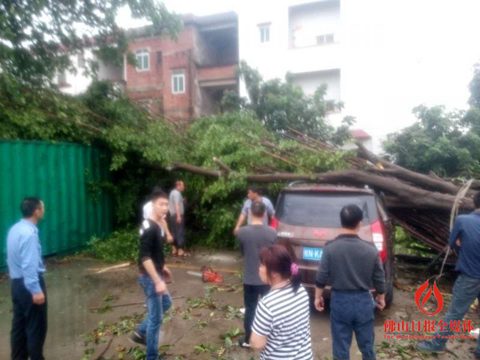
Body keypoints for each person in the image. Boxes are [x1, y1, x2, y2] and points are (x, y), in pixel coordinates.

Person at [315, 204, 386, 360]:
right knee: (367, 346)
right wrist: (381, 297)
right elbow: (379, 277)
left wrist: (317, 297)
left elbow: (322, 276)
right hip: (363, 302)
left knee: (340, 348)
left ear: (341, 222)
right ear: (359, 223)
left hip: (340, 301)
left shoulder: (330, 248)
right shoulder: (371, 250)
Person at [417, 192, 480, 357]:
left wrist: (462, 248)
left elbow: (453, 245)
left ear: (474, 203)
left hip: (470, 276)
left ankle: (437, 344)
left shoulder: (463, 220)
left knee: (455, 313)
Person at [131, 190, 174, 360]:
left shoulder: (156, 225)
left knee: (167, 303)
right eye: (161, 204)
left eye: (166, 204)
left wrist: (162, 267)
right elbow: (145, 257)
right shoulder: (149, 228)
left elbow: (156, 252)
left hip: (155, 274)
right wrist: (157, 280)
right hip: (150, 278)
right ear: (152, 205)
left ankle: (141, 331)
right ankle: (152, 356)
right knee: (156, 320)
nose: (165, 208)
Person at [250, 244, 313, 359]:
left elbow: (257, 343)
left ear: (274, 273)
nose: (259, 268)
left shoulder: (267, 305)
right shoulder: (301, 290)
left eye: (262, 265)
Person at [7, 197, 47, 360]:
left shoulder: (15, 229)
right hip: (29, 285)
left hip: (16, 284)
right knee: (36, 328)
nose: (44, 210)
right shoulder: (29, 234)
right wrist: (36, 290)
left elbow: (11, 258)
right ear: (36, 211)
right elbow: (29, 265)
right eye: (42, 207)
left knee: (19, 326)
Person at [236, 201, 277, 348]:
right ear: (265, 213)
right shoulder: (272, 232)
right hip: (267, 278)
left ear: (251, 213)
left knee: (250, 308)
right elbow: (274, 252)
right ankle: (269, 339)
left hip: (250, 278)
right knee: (269, 309)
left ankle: (248, 339)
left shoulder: (242, 232)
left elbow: (242, 252)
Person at [168, 180, 187, 257]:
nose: (184, 187)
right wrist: (179, 216)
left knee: (174, 232)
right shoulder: (177, 193)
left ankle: (174, 249)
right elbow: (176, 204)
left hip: (172, 215)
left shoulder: (172, 193)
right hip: (177, 215)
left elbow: (175, 203)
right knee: (179, 232)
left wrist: (182, 201)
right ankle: (180, 250)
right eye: (183, 186)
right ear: (178, 186)